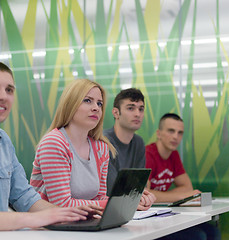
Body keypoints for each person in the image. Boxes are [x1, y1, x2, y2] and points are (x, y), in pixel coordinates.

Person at [0, 61, 97, 232]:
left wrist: (71, 216)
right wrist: (31, 219)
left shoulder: (2, 141)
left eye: (9, 90)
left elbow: (25, 197)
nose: (3, 96)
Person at [30, 79, 154, 210]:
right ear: (70, 104)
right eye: (87, 100)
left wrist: (132, 201)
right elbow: (61, 205)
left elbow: (100, 198)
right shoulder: (54, 142)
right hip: (48, 227)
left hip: (82, 224)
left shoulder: (101, 147)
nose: (96, 108)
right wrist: (121, 202)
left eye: (99, 103)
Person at [146, 113, 220, 240]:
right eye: (171, 131)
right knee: (198, 236)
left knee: (213, 232)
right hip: (147, 220)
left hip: (165, 215)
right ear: (159, 134)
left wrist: (164, 196)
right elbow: (144, 194)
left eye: (180, 133)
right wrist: (180, 196)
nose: (176, 136)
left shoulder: (173, 155)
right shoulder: (147, 154)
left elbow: (187, 187)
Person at [104, 88, 148, 195]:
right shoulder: (104, 142)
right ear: (116, 113)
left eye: (141, 109)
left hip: (129, 206)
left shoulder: (139, 143)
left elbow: (139, 187)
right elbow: (113, 190)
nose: (137, 114)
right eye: (130, 108)